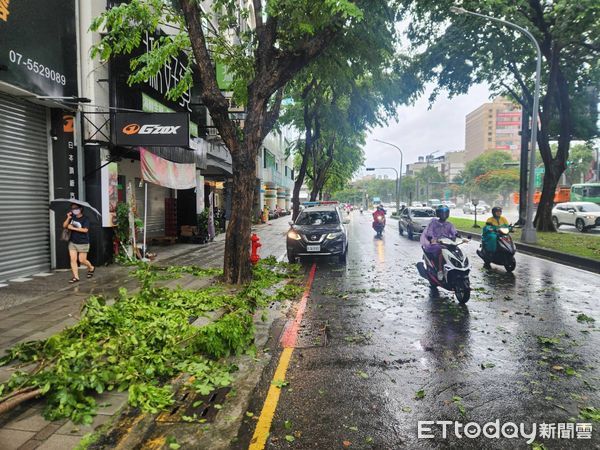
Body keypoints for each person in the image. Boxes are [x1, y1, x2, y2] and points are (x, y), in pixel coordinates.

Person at [420, 205, 458, 280]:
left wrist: (458, 236)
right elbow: (430, 232)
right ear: (438, 214)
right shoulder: (433, 223)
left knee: (455, 250)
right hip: (435, 244)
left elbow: (454, 232)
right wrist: (431, 239)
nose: (444, 215)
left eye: (445, 213)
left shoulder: (449, 224)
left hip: (446, 243)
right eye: (441, 213)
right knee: (441, 250)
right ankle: (440, 270)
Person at [63, 204, 95, 283]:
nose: (74, 210)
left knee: (82, 260)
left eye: (76, 208)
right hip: (73, 242)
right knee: (73, 259)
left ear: (80, 209)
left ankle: (91, 268)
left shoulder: (85, 219)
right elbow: (64, 226)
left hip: (83, 242)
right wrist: (68, 218)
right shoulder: (72, 218)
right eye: (73, 208)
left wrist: (73, 228)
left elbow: (85, 230)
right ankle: (76, 277)